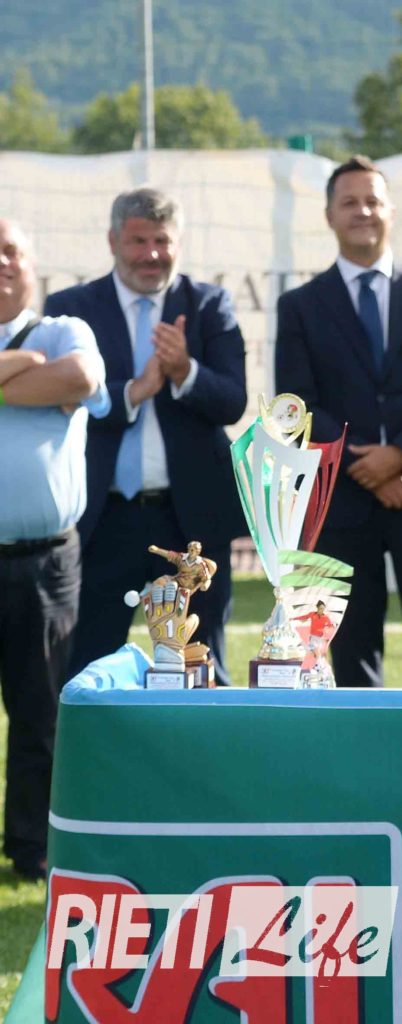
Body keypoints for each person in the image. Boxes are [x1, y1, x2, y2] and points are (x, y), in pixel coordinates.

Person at [275, 155, 402, 687]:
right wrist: (367, 467)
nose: (362, 211)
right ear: (329, 216)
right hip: (339, 505)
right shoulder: (300, 306)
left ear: (391, 211)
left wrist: (400, 456)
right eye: (349, 202)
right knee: (350, 655)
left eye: (372, 201)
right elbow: (296, 404)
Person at [46, 189, 247, 686]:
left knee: (201, 667)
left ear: (179, 242)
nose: (151, 254)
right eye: (138, 241)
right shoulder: (71, 310)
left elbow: (233, 401)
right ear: (113, 241)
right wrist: (132, 393)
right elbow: (59, 402)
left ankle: (201, 742)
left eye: (162, 241)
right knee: (86, 669)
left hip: (190, 524)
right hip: (101, 520)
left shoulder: (208, 305)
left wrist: (185, 372)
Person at [0, 219, 109, 880]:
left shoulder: (64, 330)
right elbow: (48, 385)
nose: (1, 262)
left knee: (39, 713)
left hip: (44, 562)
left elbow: (81, 377)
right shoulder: (36, 350)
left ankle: (29, 848)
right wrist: (22, 374)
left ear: (32, 262)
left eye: (10, 250)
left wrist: (29, 373)